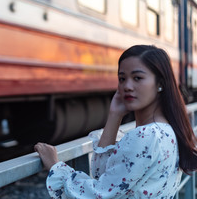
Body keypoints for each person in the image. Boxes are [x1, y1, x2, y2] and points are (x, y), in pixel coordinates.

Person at [35, 45, 197, 198]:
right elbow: (105, 176)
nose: (127, 86)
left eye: (137, 78)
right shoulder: (168, 130)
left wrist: (55, 166)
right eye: (122, 78)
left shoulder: (145, 136)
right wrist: (114, 115)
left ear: (160, 83)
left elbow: (97, 194)